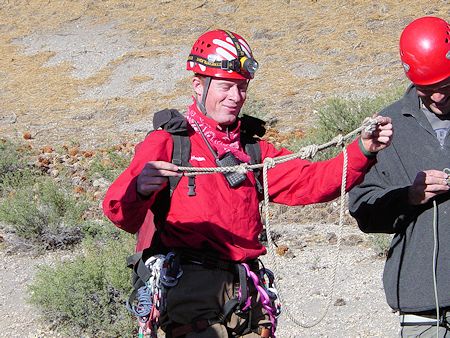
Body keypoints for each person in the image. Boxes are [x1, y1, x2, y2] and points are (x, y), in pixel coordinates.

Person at [103, 29, 393, 338]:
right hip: (190, 291)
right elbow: (119, 212)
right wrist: (140, 189)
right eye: (226, 86)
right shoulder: (169, 143)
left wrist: (362, 150)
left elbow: (313, 182)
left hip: (246, 292)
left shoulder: (253, 151)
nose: (236, 97)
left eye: (242, 87)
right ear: (198, 86)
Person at [349, 16, 450, 337]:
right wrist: (407, 197)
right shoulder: (387, 126)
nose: (438, 97)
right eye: (428, 89)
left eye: (446, 86)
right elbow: (362, 209)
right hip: (423, 298)